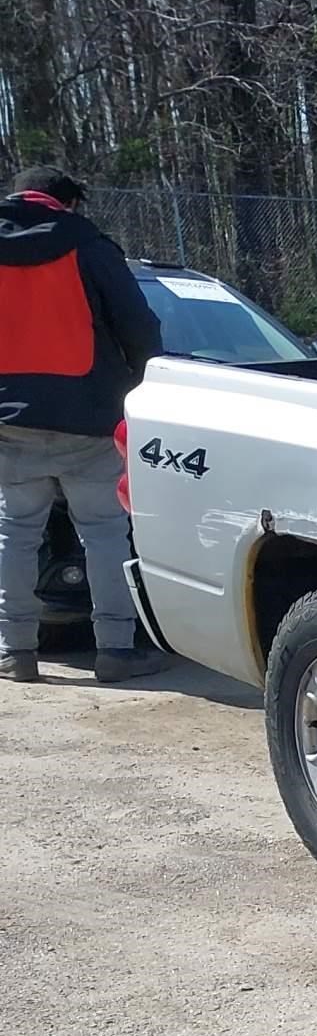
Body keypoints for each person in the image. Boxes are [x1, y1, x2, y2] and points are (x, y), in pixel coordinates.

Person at [0, 163, 165, 682]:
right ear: (67, 202)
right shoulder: (88, 242)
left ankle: (14, 650)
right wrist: (145, 385)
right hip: (90, 418)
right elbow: (137, 323)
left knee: (14, 533)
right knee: (106, 534)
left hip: (10, 419)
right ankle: (116, 649)